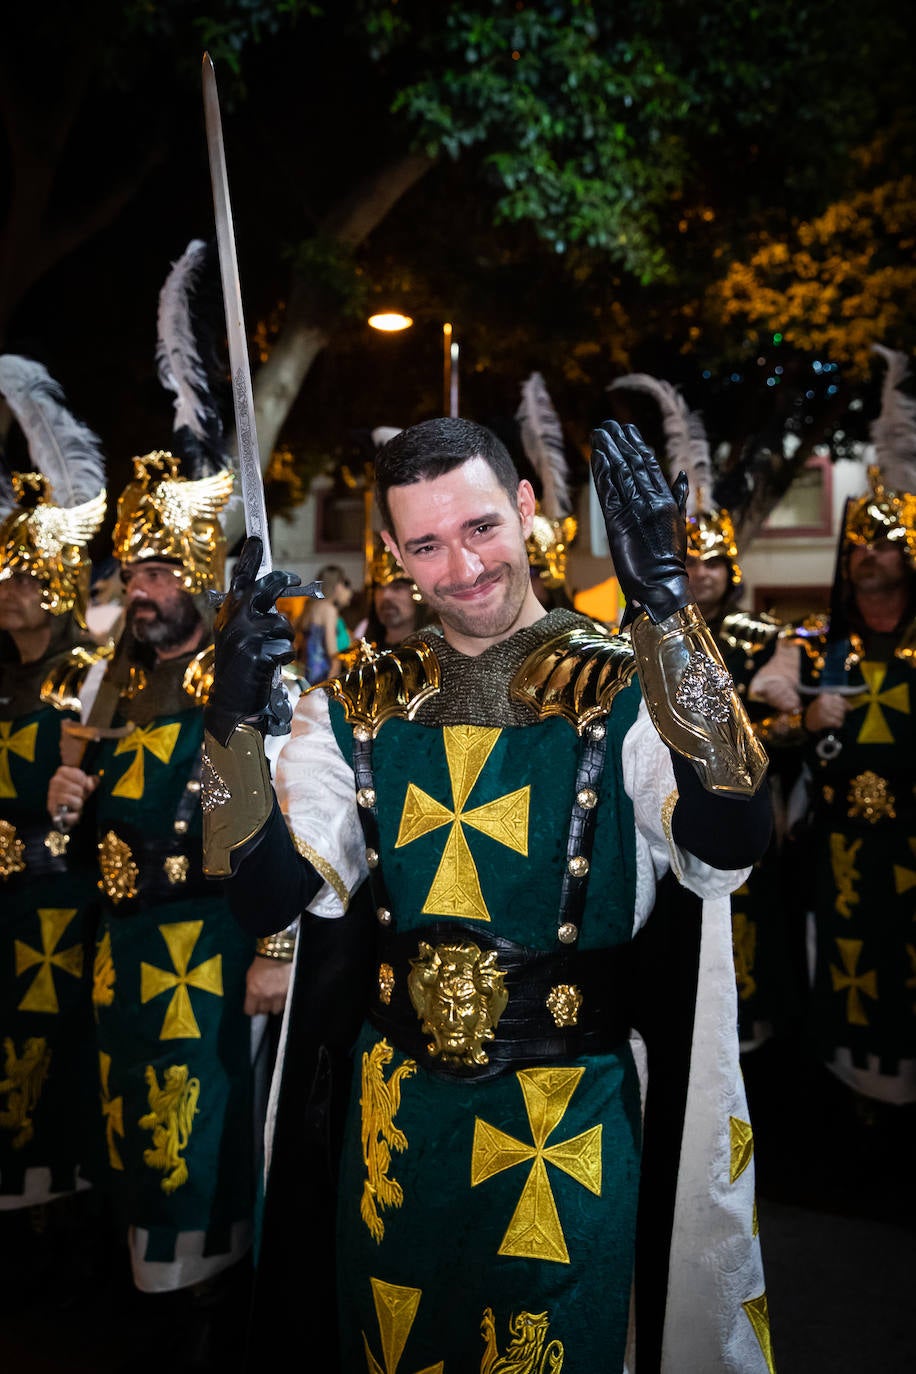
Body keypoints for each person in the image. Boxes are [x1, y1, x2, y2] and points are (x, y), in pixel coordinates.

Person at [201, 415, 776, 1373]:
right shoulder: (356, 701)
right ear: (392, 552)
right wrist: (228, 724)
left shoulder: (627, 686)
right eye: (425, 544)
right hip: (394, 1126)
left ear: (523, 506)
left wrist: (669, 616)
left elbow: (729, 842)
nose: (461, 568)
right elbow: (264, 896)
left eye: (479, 528)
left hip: (564, 1125)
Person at [45, 450, 261, 1365]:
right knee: (122, 1118)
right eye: (133, 571)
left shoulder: (240, 673)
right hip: (117, 945)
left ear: (202, 580)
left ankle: (207, 1307)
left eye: (162, 570)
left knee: (196, 1121)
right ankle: (132, 1298)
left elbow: (253, 819)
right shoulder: (103, 680)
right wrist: (70, 797)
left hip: (202, 939)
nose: (141, 587)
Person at [749, 345, 916, 1201]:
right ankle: (852, 1143)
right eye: (857, 549)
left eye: (882, 548)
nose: (866, 560)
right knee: (837, 986)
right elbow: (767, 695)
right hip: (841, 857)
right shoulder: (816, 641)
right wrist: (797, 713)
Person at [0, 354, 109, 1305]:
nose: (10, 593)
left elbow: (97, 784)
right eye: (3, 579)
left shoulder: (87, 671)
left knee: (51, 1043)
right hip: (0, 900)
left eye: (26, 580)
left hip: (60, 896)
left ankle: (56, 1211)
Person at [295, 563, 353, 682]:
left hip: (305, 672)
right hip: (322, 674)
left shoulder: (310, 607)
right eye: (343, 583)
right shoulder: (329, 609)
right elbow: (332, 652)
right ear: (337, 585)